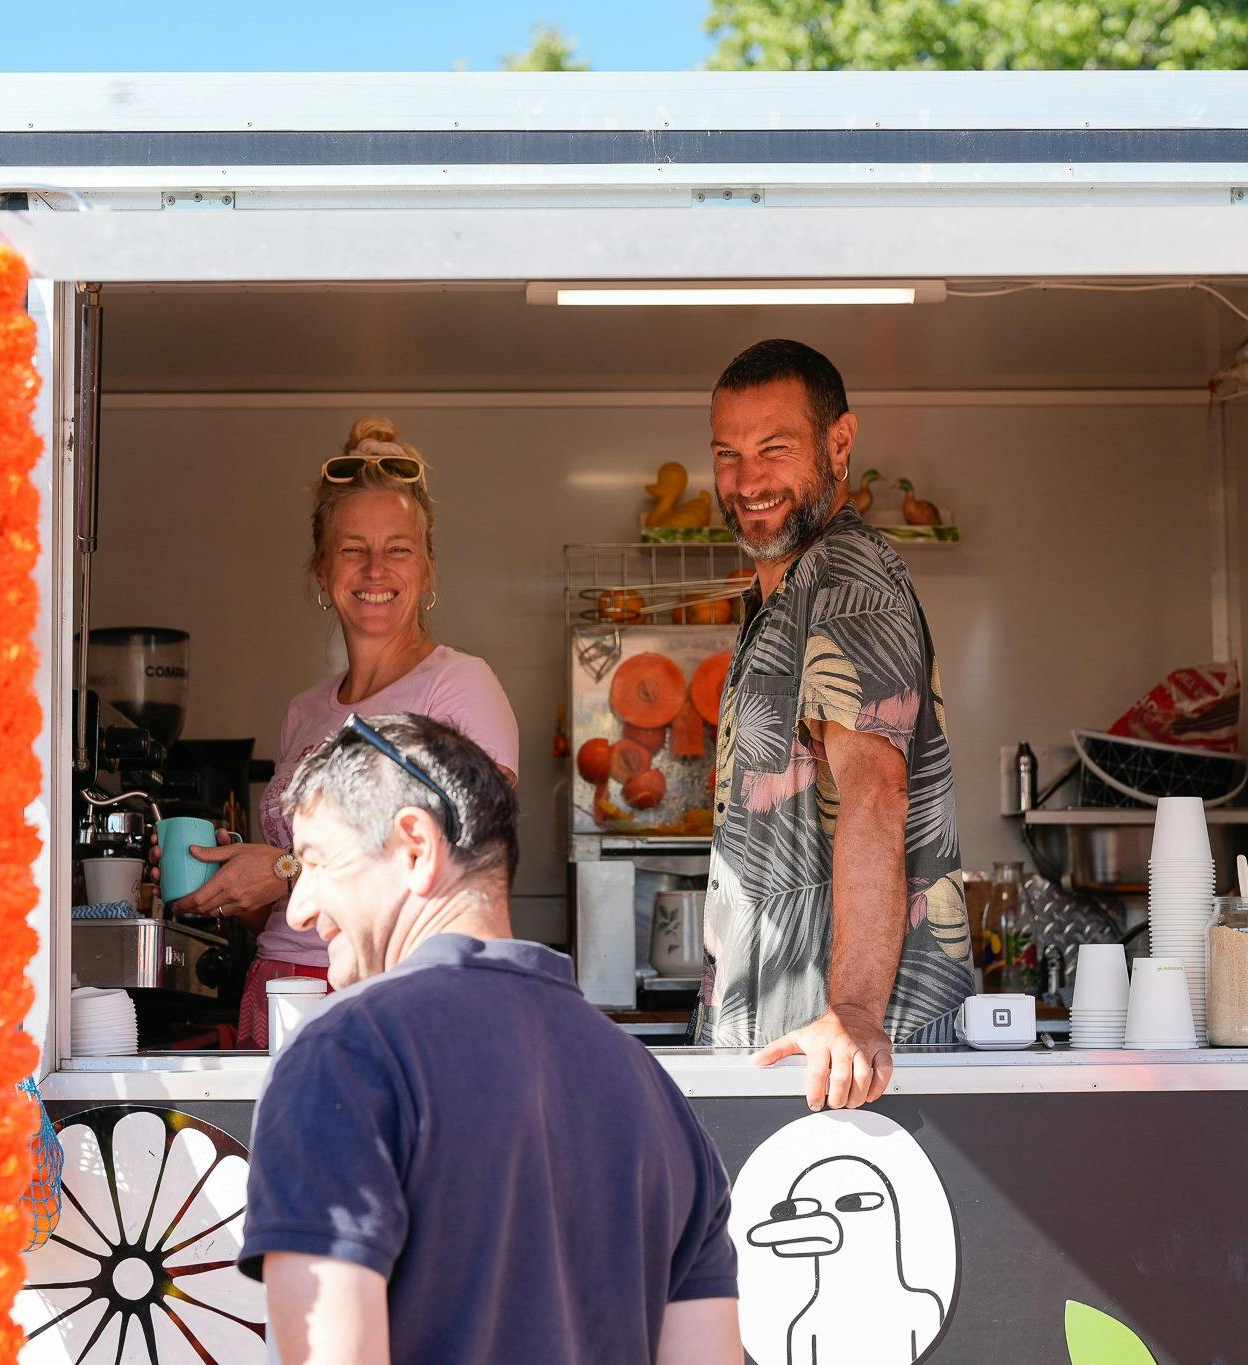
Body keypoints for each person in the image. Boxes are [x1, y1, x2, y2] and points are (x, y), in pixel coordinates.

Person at [239, 712, 742, 1365]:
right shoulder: (655, 1093)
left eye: (313, 861)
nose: (301, 906)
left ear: (415, 845)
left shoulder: (343, 1058)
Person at [162, 417, 518, 1049]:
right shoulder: (304, 711)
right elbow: (277, 896)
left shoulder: (460, 685)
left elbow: (474, 855)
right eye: (354, 548)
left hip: (392, 991)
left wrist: (284, 868)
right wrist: (231, 880)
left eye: (398, 548)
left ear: (428, 569)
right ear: (323, 570)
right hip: (277, 986)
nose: (375, 568)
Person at [697, 338, 974, 1110]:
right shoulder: (787, 590)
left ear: (840, 443)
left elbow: (877, 791)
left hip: (840, 1077)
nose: (747, 481)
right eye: (728, 454)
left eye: (774, 450)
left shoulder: (846, 577)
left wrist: (852, 1012)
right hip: (798, 1061)